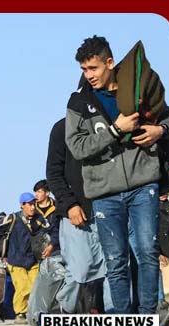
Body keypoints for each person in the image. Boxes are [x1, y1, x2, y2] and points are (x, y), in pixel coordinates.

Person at [65, 35, 169, 315]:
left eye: (93, 68)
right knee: (115, 261)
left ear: (110, 63)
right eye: (84, 70)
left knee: (147, 253)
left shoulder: (137, 90)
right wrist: (115, 130)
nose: (89, 75)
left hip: (143, 186)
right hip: (104, 193)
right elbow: (77, 147)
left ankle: (147, 317)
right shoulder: (78, 102)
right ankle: (124, 321)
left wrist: (160, 130)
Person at [46, 118, 111, 314]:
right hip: (76, 213)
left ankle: (116, 317)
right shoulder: (62, 128)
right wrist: (70, 204)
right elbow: (54, 173)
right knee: (79, 270)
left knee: (115, 269)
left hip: (110, 209)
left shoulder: (112, 123)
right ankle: (63, 312)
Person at [0, 193, 52, 324]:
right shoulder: (12, 219)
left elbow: (51, 230)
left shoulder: (39, 220)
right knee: (23, 287)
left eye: (34, 204)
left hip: (33, 261)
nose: (32, 207)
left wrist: (52, 245)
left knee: (36, 288)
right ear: (22, 205)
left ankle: (32, 312)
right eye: (29, 204)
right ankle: (20, 313)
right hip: (16, 261)